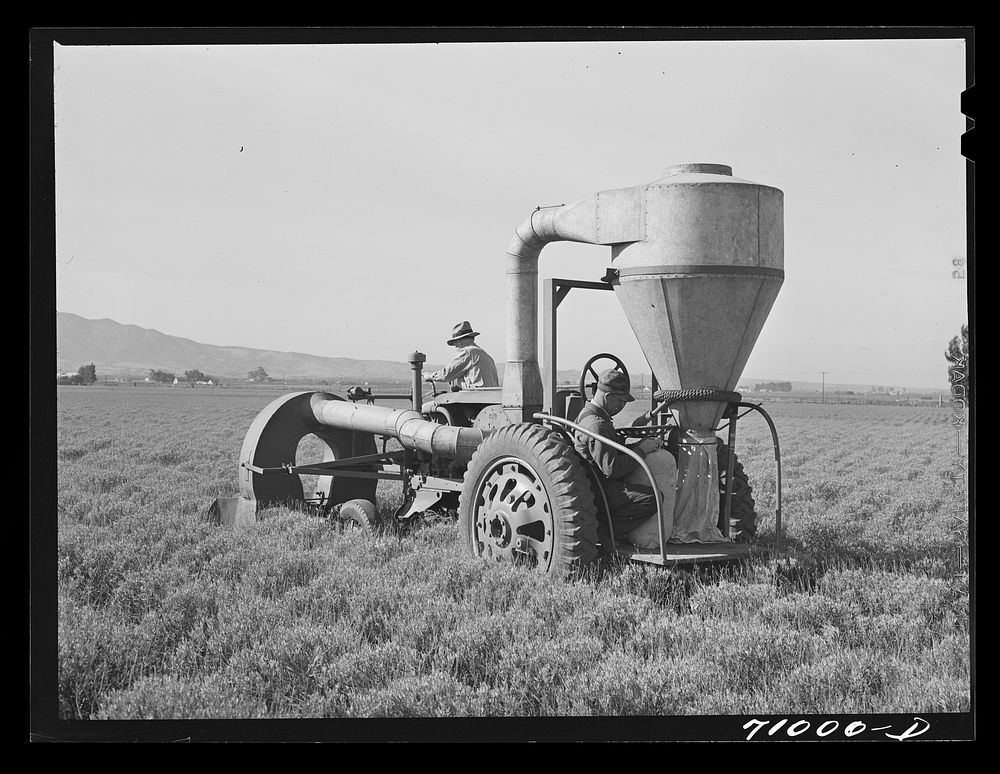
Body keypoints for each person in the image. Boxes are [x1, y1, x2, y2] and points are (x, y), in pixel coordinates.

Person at [572, 368, 677, 549]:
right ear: (607, 396)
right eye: (620, 401)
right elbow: (612, 469)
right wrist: (642, 450)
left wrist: (637, 443)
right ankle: (605, 530)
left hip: (594, 482)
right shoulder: (597, 425)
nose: (621, 406)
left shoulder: (587, 415)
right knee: (652, 498)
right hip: (601, 490)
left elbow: (610, 450)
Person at [425, 321, 499, 390]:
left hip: (475, 398)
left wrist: (429, 375)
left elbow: (447, 374)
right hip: (488, 397)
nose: (455, 346)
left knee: (429, 404)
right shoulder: (484, 354)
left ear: (459, 341)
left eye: (455, 343)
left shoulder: (468, 352)